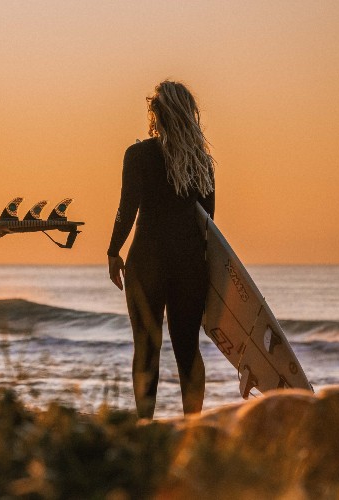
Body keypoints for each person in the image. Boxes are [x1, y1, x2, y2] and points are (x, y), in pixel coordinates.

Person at [107, 80, 216, 419]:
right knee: (188, 348)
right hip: (190, 265)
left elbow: (128, 208)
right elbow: (208, 221)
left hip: (148, 263)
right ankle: (194, 427)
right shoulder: (202, 163)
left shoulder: (138, 154)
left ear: (157, 113)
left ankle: (144, 426)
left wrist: (113, 251)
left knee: (146, 347)